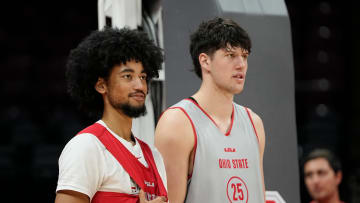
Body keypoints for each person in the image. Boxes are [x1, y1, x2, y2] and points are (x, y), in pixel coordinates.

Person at [155, 17, 266, 203]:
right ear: (205, 61)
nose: (241, 65)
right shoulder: (177, 123)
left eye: (244, 56)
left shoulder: (254, 122)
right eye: (231, 55)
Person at [55, 27, 168, 203]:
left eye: (143, 76)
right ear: (101, 86)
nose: (140, 85)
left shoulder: (154, 155)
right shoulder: (86, 147)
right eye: (128, 76)